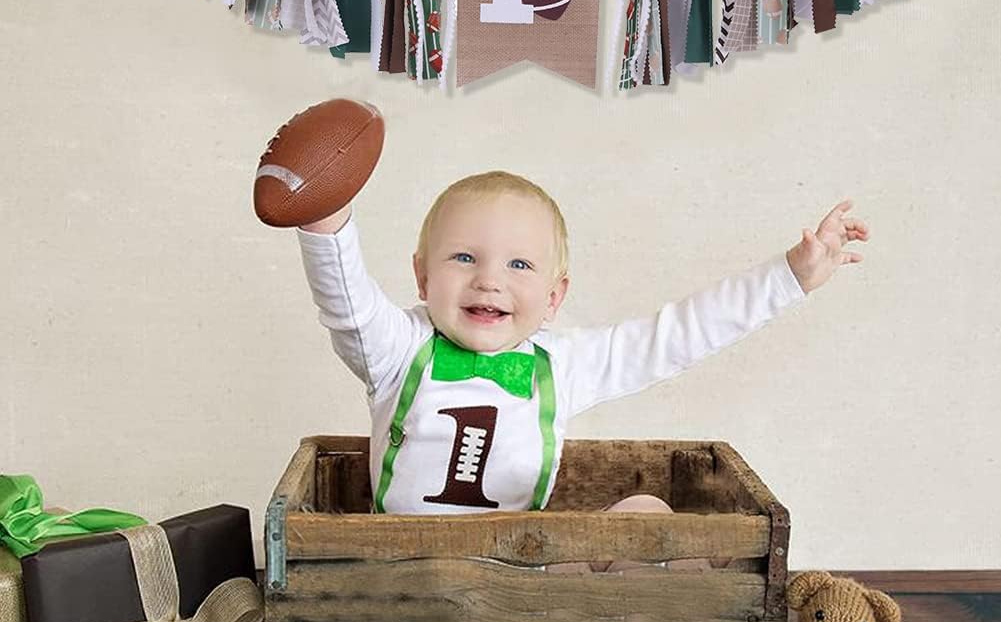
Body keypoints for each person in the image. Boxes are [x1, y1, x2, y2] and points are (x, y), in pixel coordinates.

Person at [296, 171, 867, 555]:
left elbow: (675, 336)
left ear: (553, 298)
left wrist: (788, 278)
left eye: (520, 264)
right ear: (422, 277)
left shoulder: (560, 365)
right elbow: (346, 304)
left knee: (645, 510)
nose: (489, 279)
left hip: (519, 575)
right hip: (396, 571)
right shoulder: (399, 349)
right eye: (464, 257)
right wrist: (325, 219)